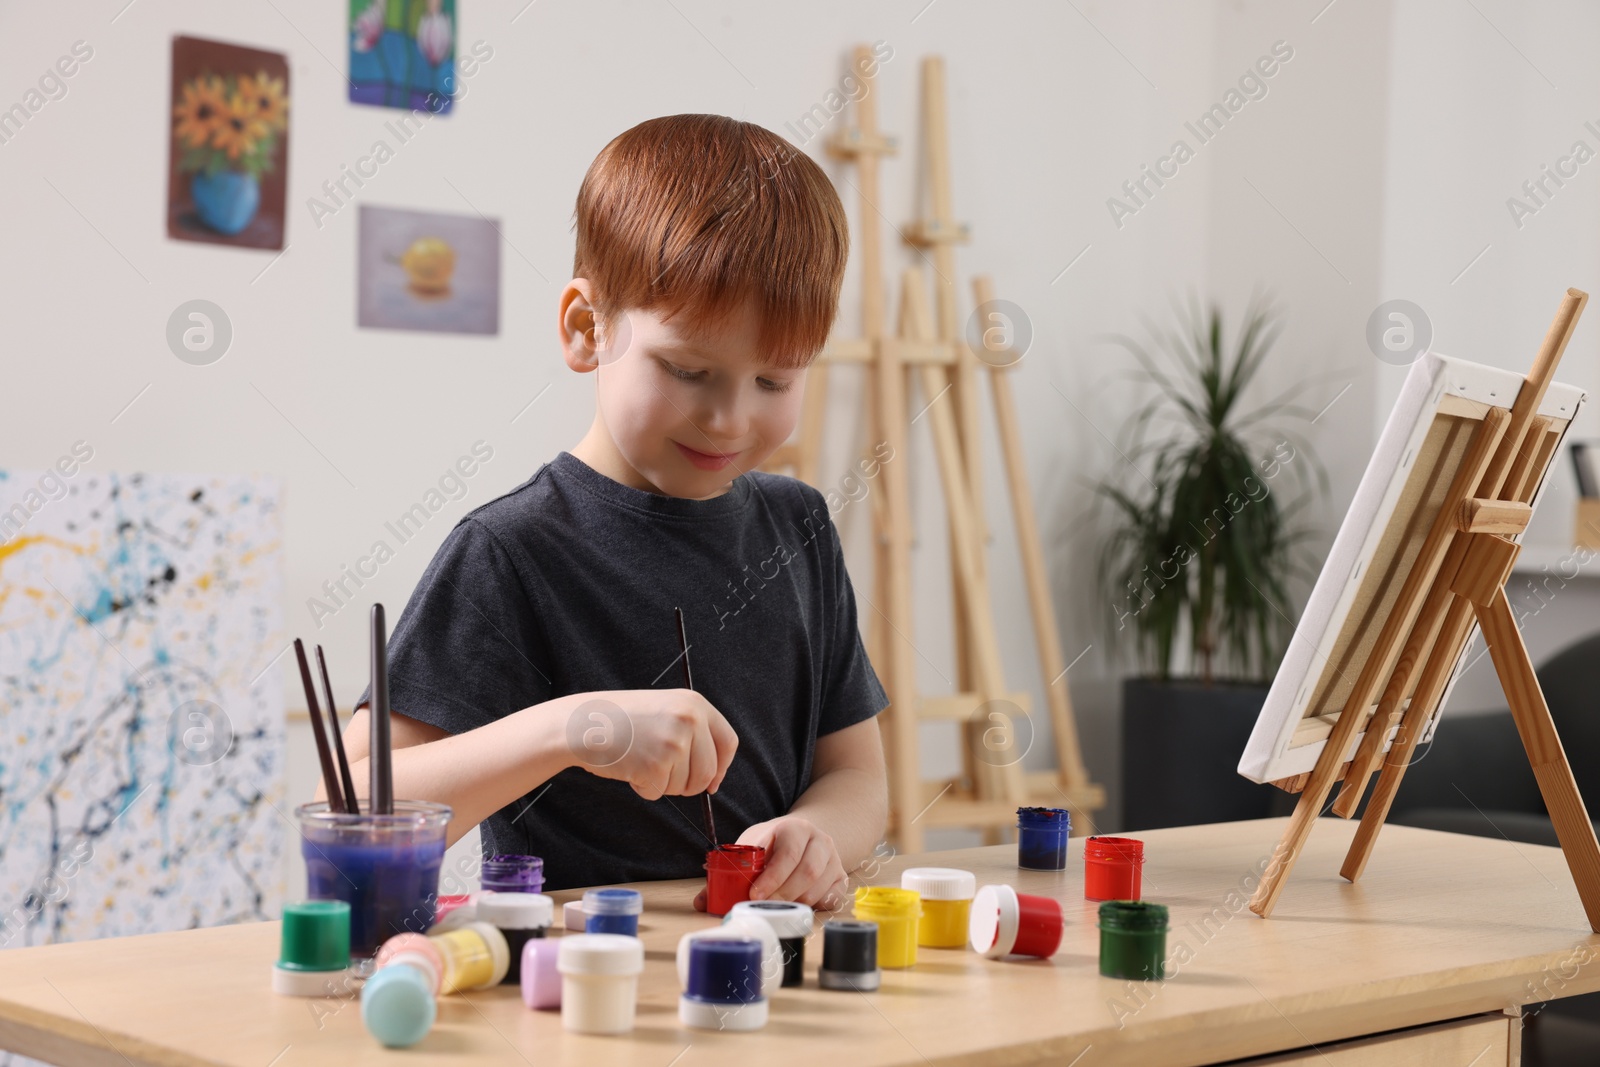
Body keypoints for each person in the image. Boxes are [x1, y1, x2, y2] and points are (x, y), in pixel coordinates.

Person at [334, 113, 890, 912]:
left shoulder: (798, 527)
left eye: (774, 381)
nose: (730, 418)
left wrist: (817, 835)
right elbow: (358, 805)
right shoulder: (510, 550)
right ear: (586, 328)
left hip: (774, 980)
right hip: (586, 1002)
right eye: (689, 369)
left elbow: (858, 776)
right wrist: (573, 729)